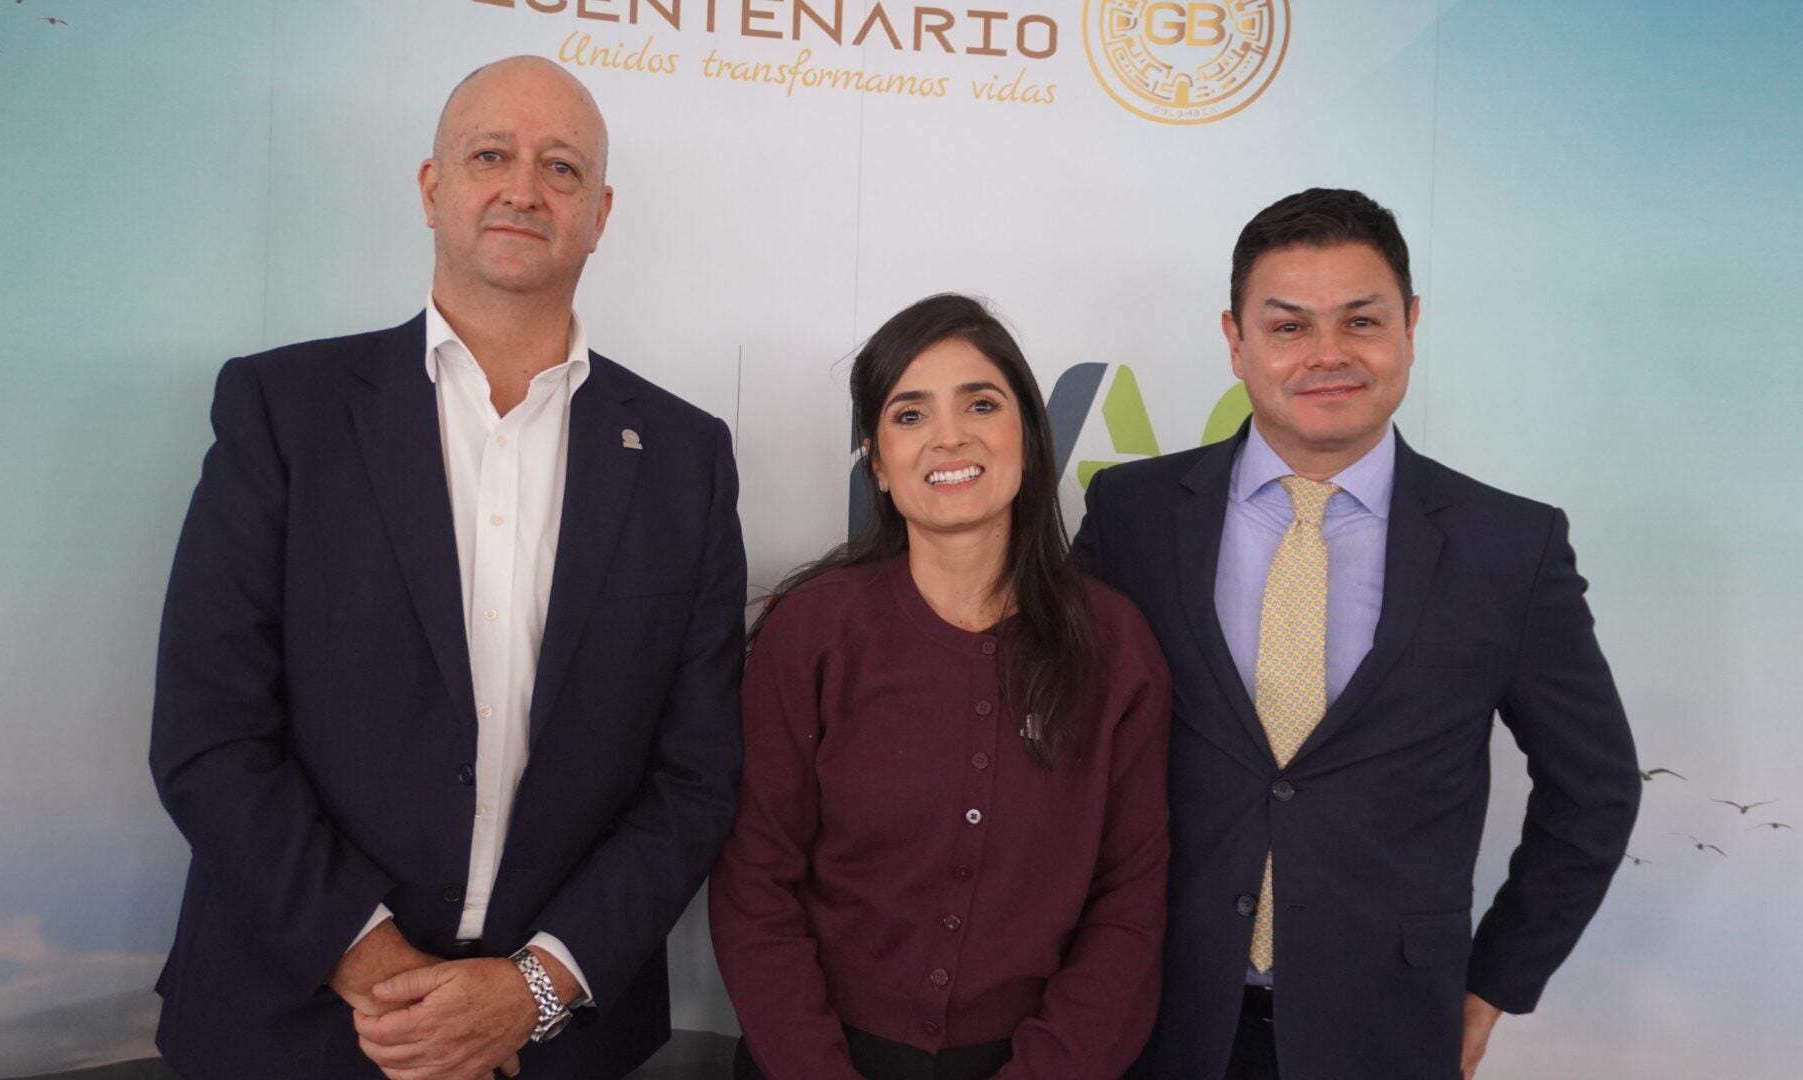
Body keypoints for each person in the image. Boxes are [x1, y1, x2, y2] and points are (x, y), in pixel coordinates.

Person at [148, 56, 746, 1079]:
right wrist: (379, 970)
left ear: (599, 213)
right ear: (433, 188)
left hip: (553, 1047)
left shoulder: (686, 460)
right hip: (290, 1025)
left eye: (560, 168)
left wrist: (533, 991)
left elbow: (695, 779)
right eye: (489, 155)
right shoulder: (283, 413)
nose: (523, 187)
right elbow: (209, 732)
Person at [1074, 188, 1640, 1080]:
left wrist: (1493, 985)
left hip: (1387, 1030)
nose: (1327, 354)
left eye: (1361, 320)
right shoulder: (1132, 516)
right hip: (1146, 1018)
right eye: (1289, 325)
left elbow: (1595, 790)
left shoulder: (1510, 547)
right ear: (1237, 340)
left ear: (1410, 325)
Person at [709, 294, 1172, 1080]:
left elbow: (1128, 909)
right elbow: (755, 883)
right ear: (879, 464)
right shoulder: (813, 632)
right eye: (910, 414)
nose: (948, 436)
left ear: (1027, 436)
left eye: (980, 403)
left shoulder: (1117, 647)